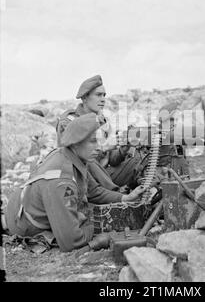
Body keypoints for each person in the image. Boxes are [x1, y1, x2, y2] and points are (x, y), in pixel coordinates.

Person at [4, 113, 145, 252]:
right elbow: (71, 242)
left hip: (25, 204)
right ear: (76, 144)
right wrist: (99, 226)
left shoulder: (74, 157)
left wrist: (125, 198)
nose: (99, 147)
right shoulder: (61, 181)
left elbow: (94, 191)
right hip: (23, 222)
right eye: (92, 141)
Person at [56, 75, 144, 190]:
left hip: (102, 176)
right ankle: (117, 194)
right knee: (88, 159)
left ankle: (141, 189)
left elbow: (112, 160)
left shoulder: (102, 122)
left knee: (139, 156)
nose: (103, 99)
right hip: (80, 177)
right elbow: (73, 154)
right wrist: (104, 146)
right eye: (98, 95)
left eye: (104, 95)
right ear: (85, 98)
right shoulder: (69, 121)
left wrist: (124, 148)